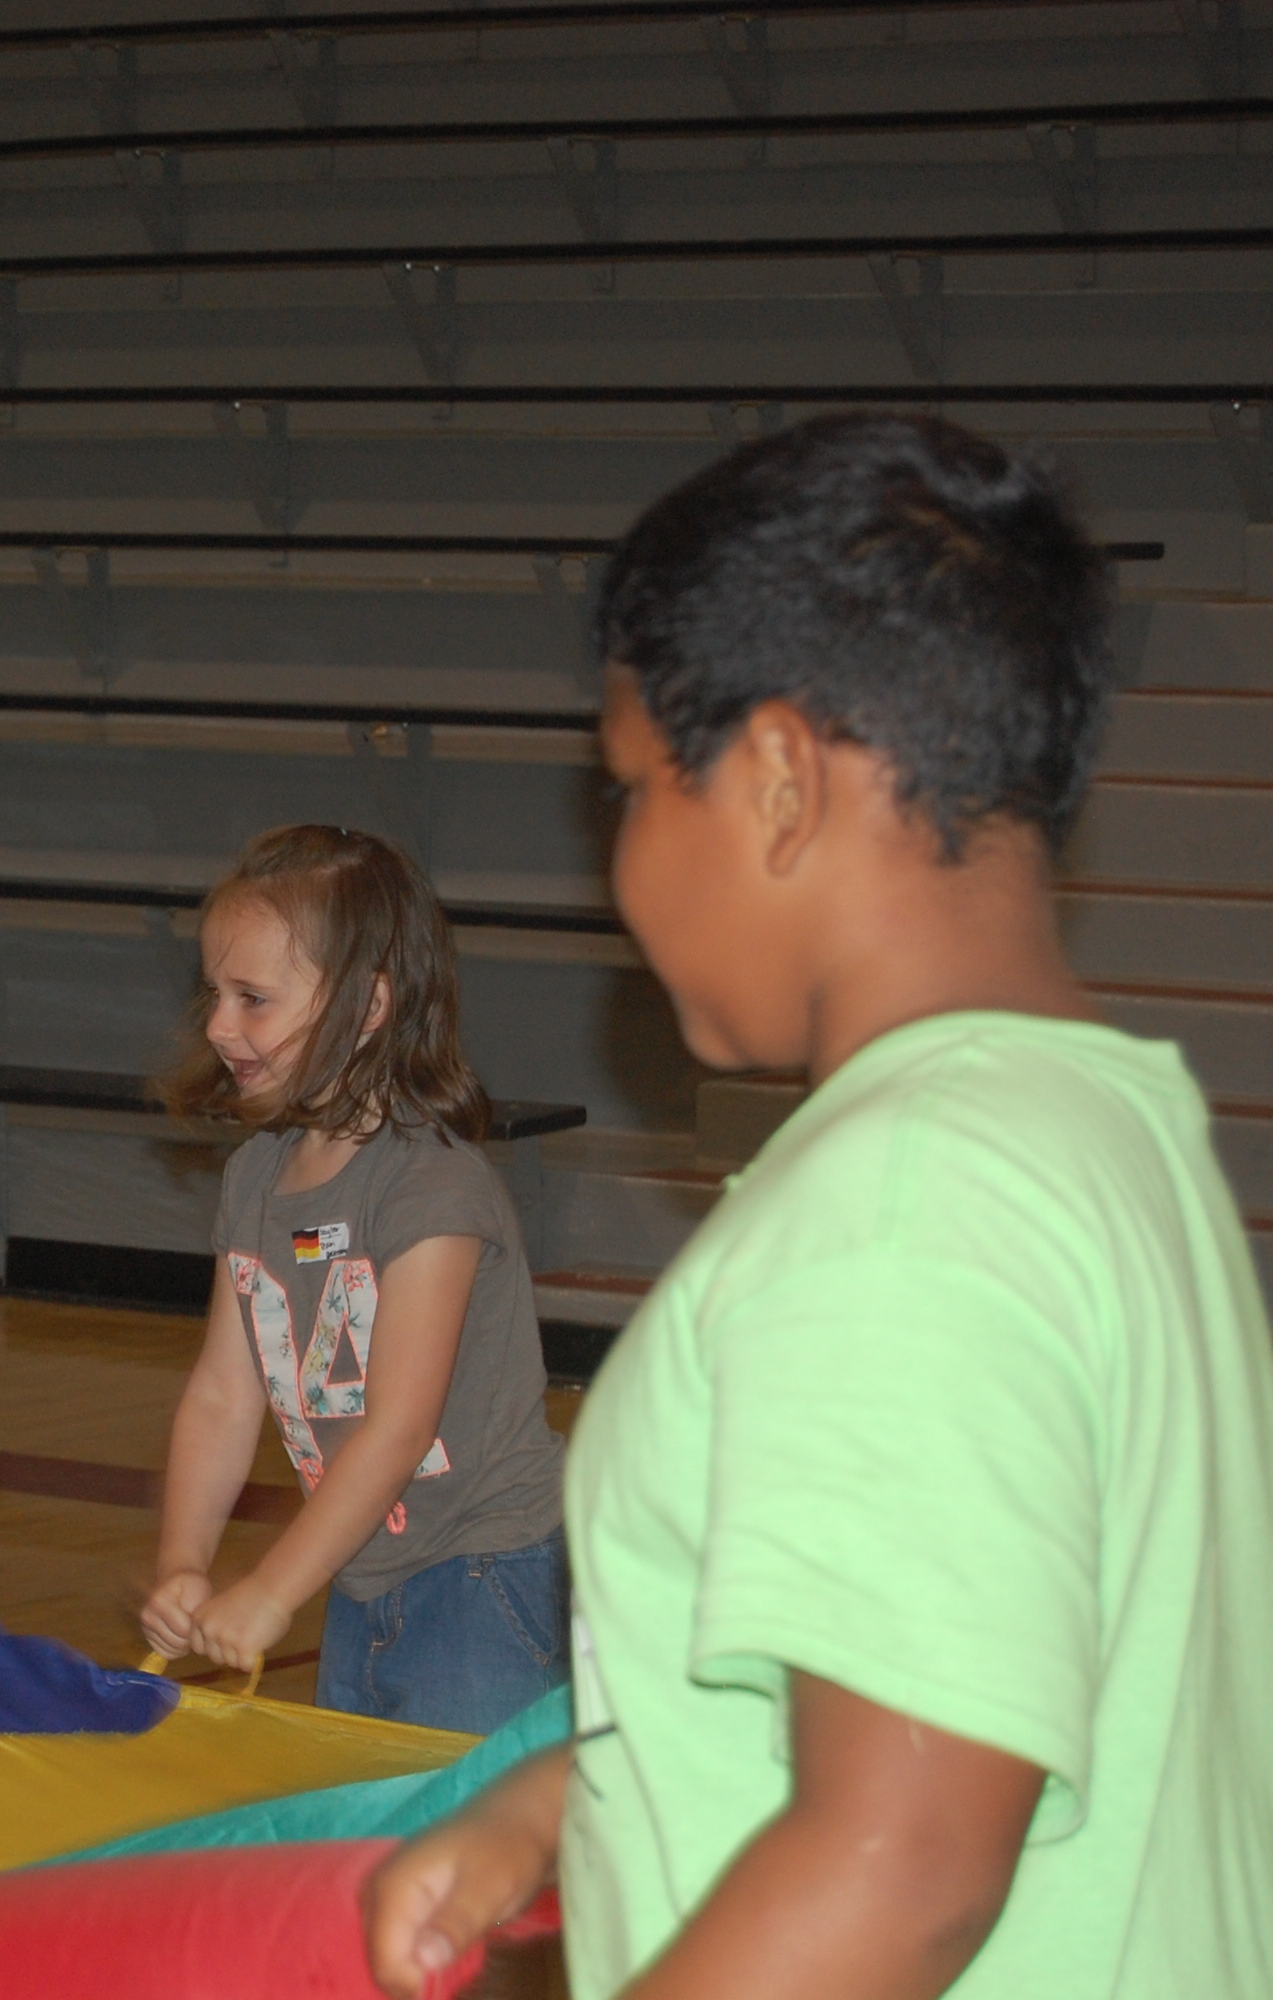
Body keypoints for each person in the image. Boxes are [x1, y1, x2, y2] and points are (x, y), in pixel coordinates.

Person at [364, 413, 1273, 2000]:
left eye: (635, 792)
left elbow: (903, 1869)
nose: (621, 867)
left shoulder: (900, 1208)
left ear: (779, 778)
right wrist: (566, 1805)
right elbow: (987, 1697)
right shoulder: (1106, 1134)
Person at [140, 825, 567, 1736]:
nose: (220, 1025)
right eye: (215, 994)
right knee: (367, 1846)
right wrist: (186, 1558)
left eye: (254, 999)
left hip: (486, 1575)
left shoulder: (432, 1188)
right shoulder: (256, 1177)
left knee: (461, 1848)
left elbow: (401, 1426)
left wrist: (270, 1591)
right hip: (362, 1570)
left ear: (370, 1006)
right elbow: (223, 1395)